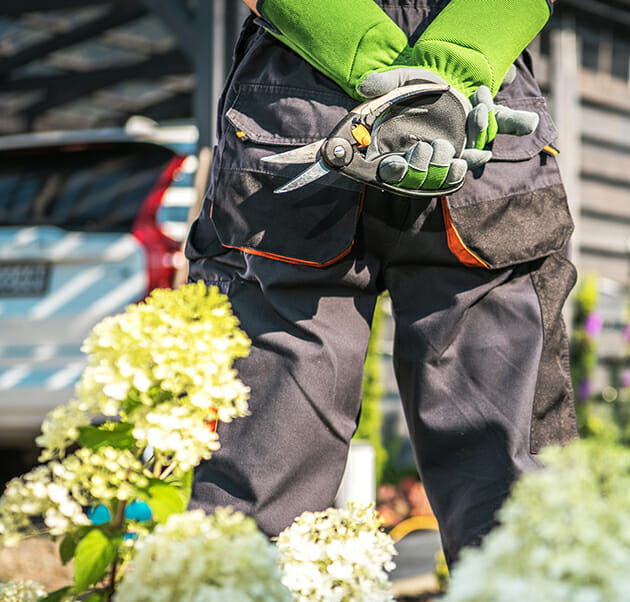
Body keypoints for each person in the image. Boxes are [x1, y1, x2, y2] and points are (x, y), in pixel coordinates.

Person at [184, 0, 577, 565]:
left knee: (259, 491)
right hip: (473, 113)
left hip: (298, 108)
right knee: (513, 501)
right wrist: (447, 75)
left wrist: (374, 59)